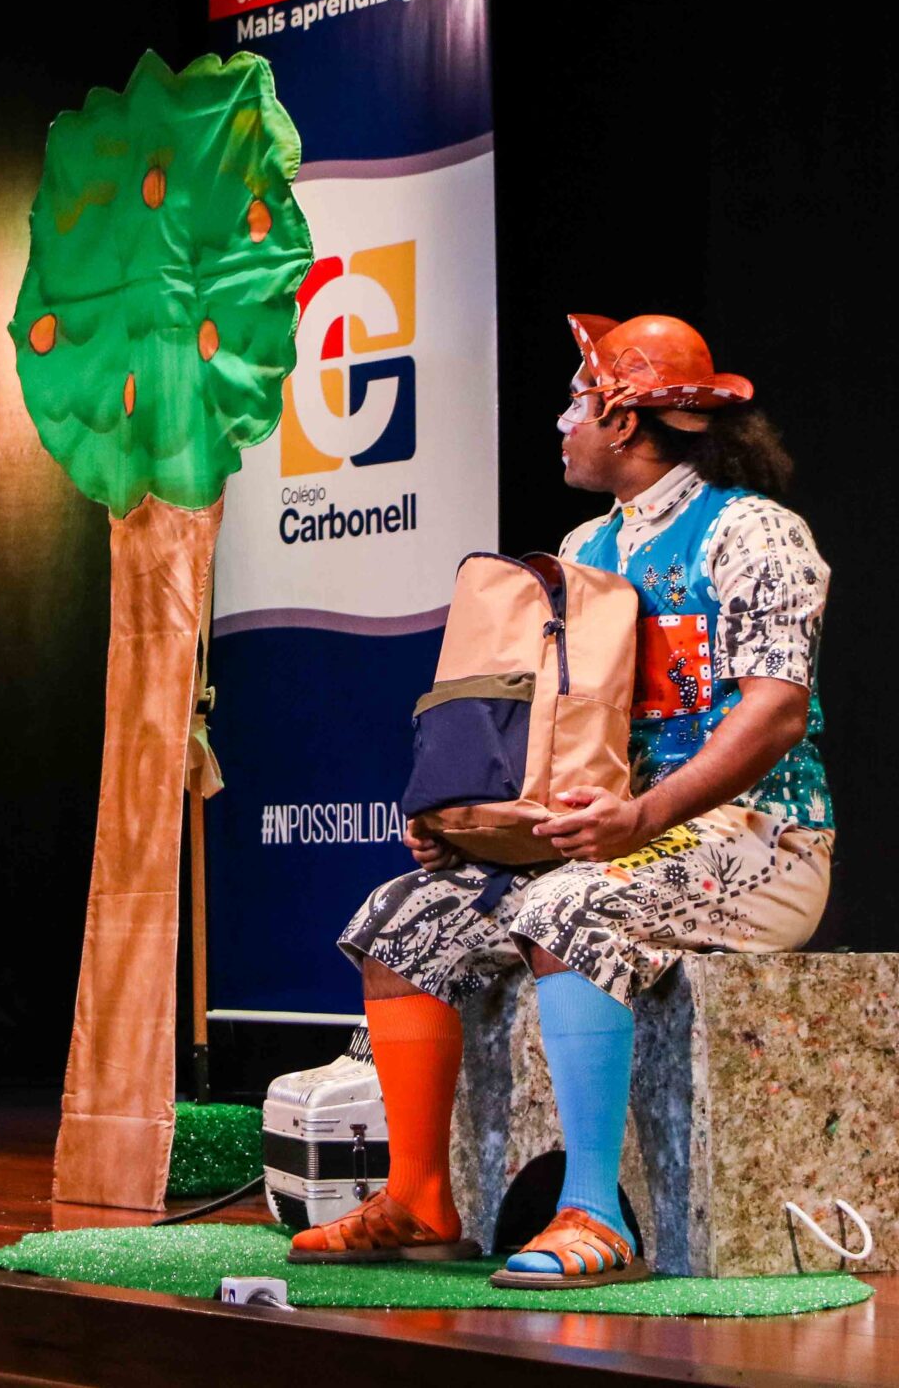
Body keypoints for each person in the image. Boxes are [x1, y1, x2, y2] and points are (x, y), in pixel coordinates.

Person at [287, 313, 833, 1288]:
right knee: (397, 918)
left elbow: (777, 711)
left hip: (762, 841)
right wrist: (472, 820)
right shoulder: (585, 547)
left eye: (576, 405)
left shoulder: (754, 532)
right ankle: (419, 1199)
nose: (561, 424)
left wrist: (643, 817)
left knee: (567, 904)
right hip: (607, 838)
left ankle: (594, 1211)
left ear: (622, 420)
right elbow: (544, 722)